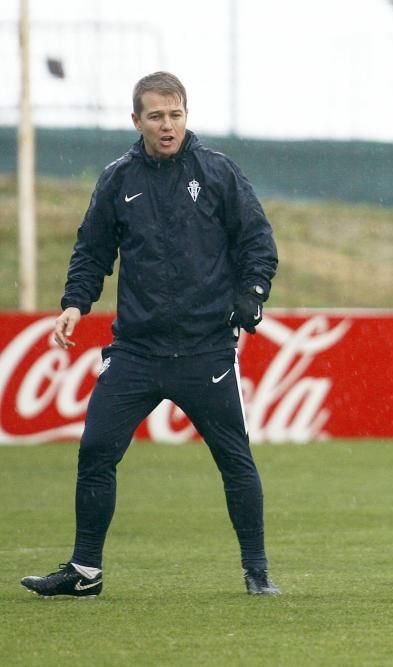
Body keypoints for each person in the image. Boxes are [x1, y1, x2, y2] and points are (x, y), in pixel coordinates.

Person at [20, 71, 281, 597]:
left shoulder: (217, 173)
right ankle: (85, 574)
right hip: (136, 351)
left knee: (235, 460)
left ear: (187, 114)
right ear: (135, 119)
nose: (168, 126)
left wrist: (251, 294)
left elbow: (258, 242)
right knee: (95, 450)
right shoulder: (118, 180)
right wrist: (75, 303)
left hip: (206, 349)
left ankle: (257, 574)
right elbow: (92, 252)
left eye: (176, 114)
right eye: (157, 116)